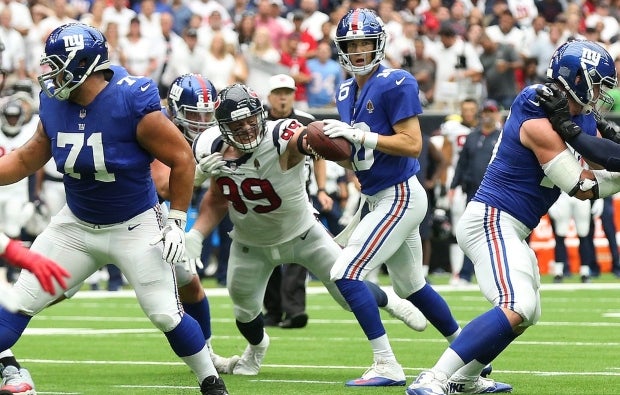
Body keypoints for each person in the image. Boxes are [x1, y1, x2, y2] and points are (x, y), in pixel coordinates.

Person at [0, 23, 228, 395]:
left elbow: (182, 159)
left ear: (81, 64)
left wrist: (174, 219)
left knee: (164, 312)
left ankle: (211, 380)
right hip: (75, 224)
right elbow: (27, 158)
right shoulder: (56, 103)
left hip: (134, 223)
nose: (49, 73)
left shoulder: (130, 99)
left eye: (56, 64)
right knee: (22, 298)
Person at [406, 39, 618, 395]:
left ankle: (466, 379)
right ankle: (433, 377)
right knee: (517, 305)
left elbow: (604, 157)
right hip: (491, 218)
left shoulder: (576, 115)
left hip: (510, 225)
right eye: (596, 82)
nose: (599, 92)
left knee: (526, 314)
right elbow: (580, 186)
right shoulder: (535, 106)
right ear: (578, 78)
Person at [187, 82, 428, 382]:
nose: (248, 129)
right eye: (238, 125)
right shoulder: (208, 147)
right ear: (223, 127)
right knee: (244, 310)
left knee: (347, 292)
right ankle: (257, 348)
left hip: (303, 233)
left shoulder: (278, 135)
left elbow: (303, 139)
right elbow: (217, 197)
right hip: (251, 243)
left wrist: (318, 140)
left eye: (252, 121)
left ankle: (390, 301)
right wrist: (196, 216)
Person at [322, 8, 467, 387]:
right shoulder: (343, 90)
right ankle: (472, 356)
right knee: (410, 286)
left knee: (344, 273)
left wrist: (361, 137)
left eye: (363, 43)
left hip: (399, 195)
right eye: (350, 45)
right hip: (378, 196)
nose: (357, 52)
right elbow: (355, 152)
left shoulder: (395, 81)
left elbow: (412, 143)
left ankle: (386, 363)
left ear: (378, 44)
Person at [261, 73, 318, 329]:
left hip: (299, 193)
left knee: (298, 252)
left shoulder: (307, 121)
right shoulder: (258, 122)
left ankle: (295, 311)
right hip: (265, 194)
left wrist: (324, 189)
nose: (283, 97)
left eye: (287, 92)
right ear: (270, 96)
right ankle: (272, 310)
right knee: (267, 252)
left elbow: (321, 157)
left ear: (294, 95)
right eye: (278, 92)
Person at [448, 99, 502, 284]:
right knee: (470, 232)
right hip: (473, 192)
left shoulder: (502, 136)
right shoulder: (472, 136)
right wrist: (453, 186)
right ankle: (464, 273)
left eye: (491, 111)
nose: (488, 115)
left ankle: (494, 275)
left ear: (496, 114)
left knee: (495, 233)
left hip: (496, 192)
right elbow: (461, 164)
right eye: (485, 111)